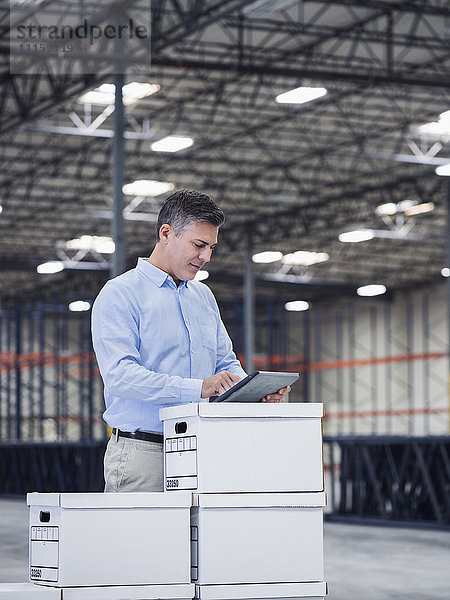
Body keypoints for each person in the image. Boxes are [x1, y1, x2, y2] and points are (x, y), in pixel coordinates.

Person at [91, 189, 290, 492]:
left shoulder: (203, 297)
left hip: (205, 450)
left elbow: (225, 363)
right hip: (145, 454)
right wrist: (199, 388)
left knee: (202, 540)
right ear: (166, 233)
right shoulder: (120, 294)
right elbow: (120, 377)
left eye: (211, 247)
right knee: (143, 541)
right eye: (198, 245)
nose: (206, 257)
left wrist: (254, 394)